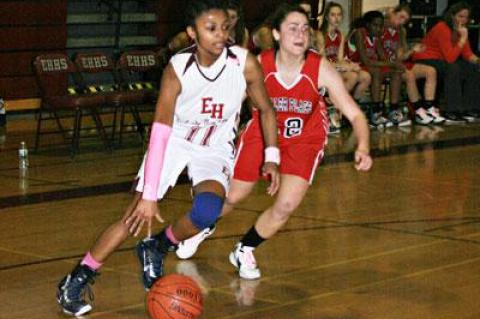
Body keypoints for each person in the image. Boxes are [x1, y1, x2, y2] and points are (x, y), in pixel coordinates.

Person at [56, 0, 280, 316]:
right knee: (134, 215)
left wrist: (272, 156)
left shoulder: (244, 63)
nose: (220, 36)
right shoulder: (178, 68)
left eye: (225, 28)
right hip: (174, 141)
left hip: (213, 146)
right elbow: (160, 130)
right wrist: (149, 196)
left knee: (207, 211)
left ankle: (158, 245)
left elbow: (266, 110)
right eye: (211, 29)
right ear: (192, 32)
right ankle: (76, 279)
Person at [175, 3, 373, 280]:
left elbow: (354, 113)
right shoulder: (260, 64)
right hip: (261, 134)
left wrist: (363, 146)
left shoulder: (319, 68)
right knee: (233, 195)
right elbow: (229, 102)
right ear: (277, 34)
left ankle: (244, 249)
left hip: (304, 139)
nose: (300, 34)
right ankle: (204, 226)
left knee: (286, 205)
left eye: (305, 29)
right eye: (293, 28)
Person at [413, 2, 480, 123]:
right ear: (452, 16)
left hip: (442, 59)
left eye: (466, 17)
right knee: (453, 68)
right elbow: (450, 58)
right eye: (460, 16)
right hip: (426, 58)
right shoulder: (442, 27)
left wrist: (478, 61)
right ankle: (452, 110)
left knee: (473, 67)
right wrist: (463, 38)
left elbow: (468, 54)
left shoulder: (461, 30)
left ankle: (471, 108)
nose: (463, 20)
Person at [383, 4, 444, 125]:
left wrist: (413, 50)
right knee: (409, 75)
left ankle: (429, 108)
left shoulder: (401, 31)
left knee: (431, 71)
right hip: (385, 64)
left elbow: (402, 57)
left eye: (405, 20)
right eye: (401, 17)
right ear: (393, 13)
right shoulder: (380, 27)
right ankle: (418, 110)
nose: (402, 21)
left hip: (399, 63)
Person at [347, 11, 409, 128]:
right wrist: (390, 63)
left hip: (371, 65)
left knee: (396, 73)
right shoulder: (359, 33)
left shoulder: (376, 36)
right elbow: (365, 60)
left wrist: (394, 65)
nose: (378, 28)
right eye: (375, 25)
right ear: (367, 24)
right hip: (356, 65)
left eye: (380, 26)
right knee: (377, 72)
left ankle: (393, 110)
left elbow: (382, 56)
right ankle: (375, 112)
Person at [315, 2, 371, 105]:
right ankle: (336, 103)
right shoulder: (320, 35)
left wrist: (349, 65)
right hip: (323, 70)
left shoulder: (340, 35)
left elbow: (340, 59)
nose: (336, 18)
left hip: (335, 68)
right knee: (352, 76)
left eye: (339, 15)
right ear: (327, 17)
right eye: (333, 15)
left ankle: (353, 105)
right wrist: (346, 67)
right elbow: (323, 63)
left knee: (366, 77)